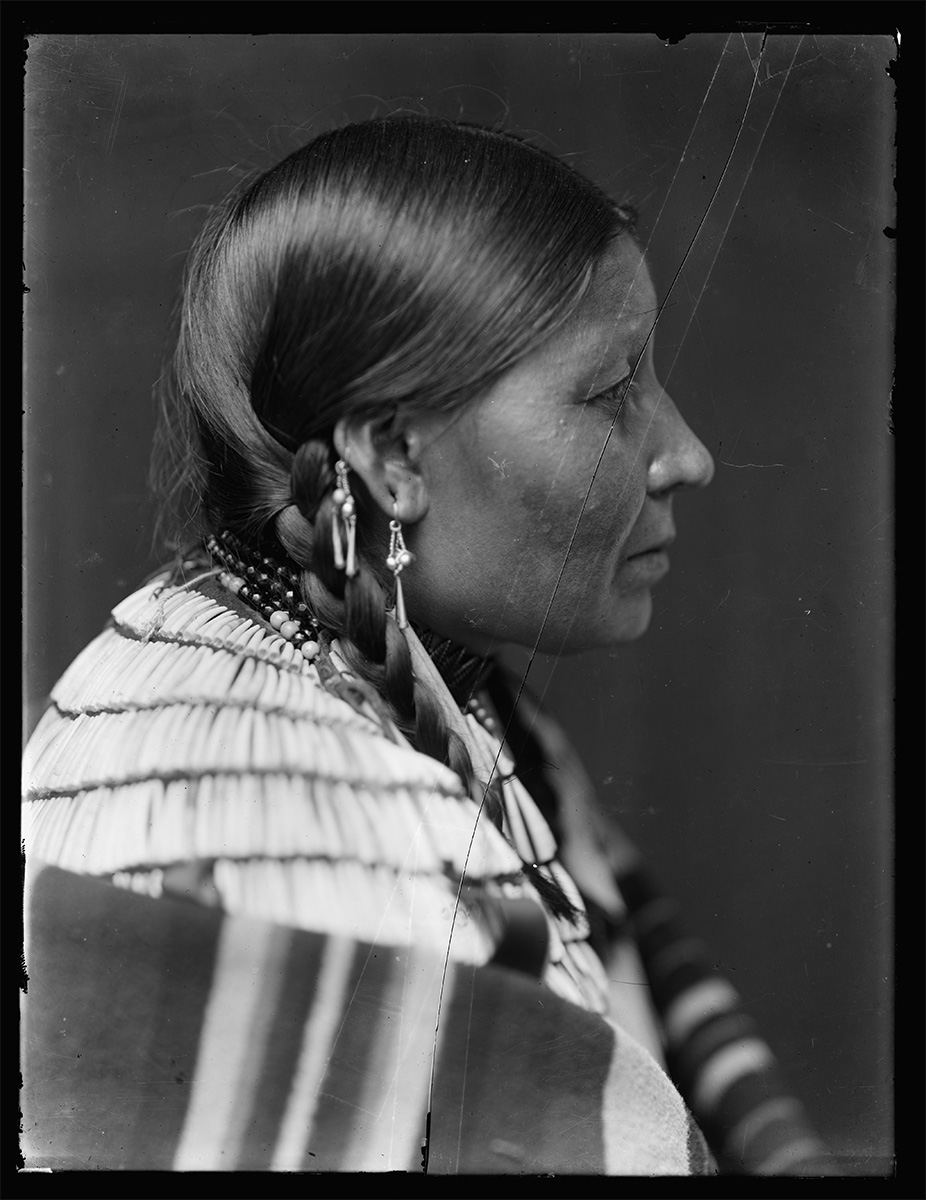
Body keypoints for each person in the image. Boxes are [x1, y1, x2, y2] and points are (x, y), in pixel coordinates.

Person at [21, 115, 832, 1175]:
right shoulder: (259, 814)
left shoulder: (426, 685)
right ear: (393, 457)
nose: (685, 454)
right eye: (606, 391)